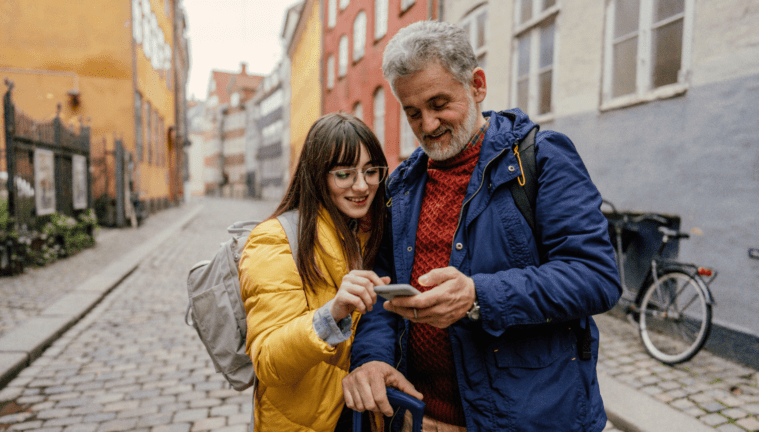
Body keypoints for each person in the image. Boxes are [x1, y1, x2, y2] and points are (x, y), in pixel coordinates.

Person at [341, 21, 622, 432]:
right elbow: (379, 291)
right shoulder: (400, 186)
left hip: (527, 420)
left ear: (476, 85)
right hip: (420, 417)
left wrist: (478, 297)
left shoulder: (542, 160)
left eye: (440, 104)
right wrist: (372, 358)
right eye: (413, 112)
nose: (428, 124)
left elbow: (596, 277)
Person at [239, 112, 392, 431]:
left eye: (371, 171)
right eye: (345, 174)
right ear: (318, 175)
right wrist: (331, 313)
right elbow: (268, 360)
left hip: (359, 417)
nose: (362, 185)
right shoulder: (274, 239)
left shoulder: (369, 232)